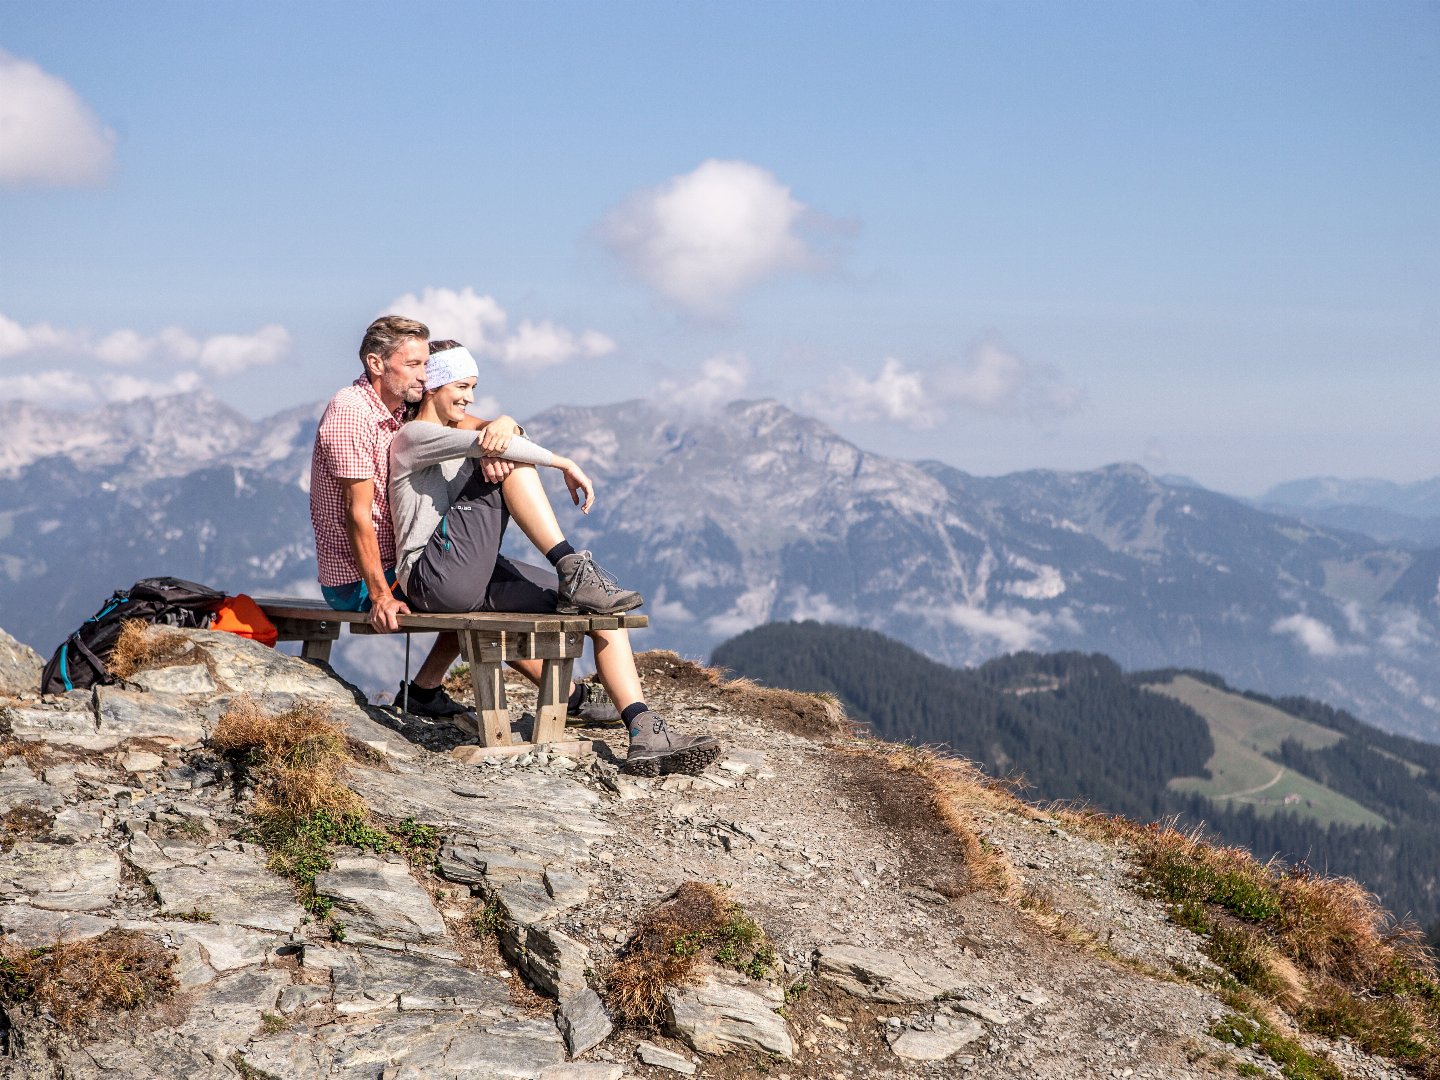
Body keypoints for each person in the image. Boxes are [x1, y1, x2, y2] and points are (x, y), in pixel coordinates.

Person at [388, 339, 721, 776]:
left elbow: (499, 433)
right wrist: (564, 462)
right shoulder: (414, 435)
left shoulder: (461, 427)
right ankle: (568, 563)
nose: (469, 397)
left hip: (467, 573)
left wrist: (508, 423)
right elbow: (502, 445)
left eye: (474, 388)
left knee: (603, 606)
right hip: (431, 577)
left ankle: (643, 729)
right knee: (509, 463)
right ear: (433, 386)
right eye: (462, 386)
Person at [309, 315, 611, 725]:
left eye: (425, 365)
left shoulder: (400, 406)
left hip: (403, 558)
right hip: (363, 577)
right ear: (377, 364)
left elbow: (485, 430)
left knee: (470, 573)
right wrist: (380, 595)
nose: (423, 373)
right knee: (469, 584)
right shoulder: (350, 413)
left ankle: (425, 691)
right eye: (413, 364)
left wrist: (506, 423)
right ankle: (570, 696)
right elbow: (356, 516)